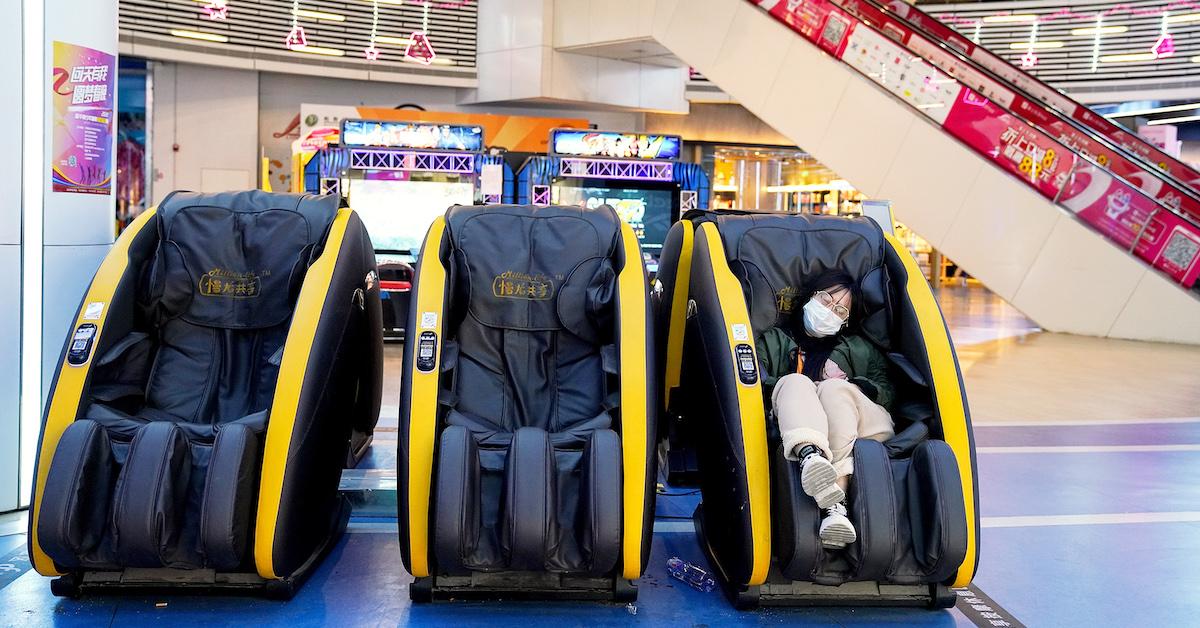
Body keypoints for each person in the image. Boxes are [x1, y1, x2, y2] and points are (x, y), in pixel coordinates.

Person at [756, 269, 895, 549]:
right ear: (810, 296)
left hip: (863, 423)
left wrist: (854, 383)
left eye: (841, 309)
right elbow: (755, 385)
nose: (830, 310)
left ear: (846, 321)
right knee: (795, 382)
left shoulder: (861, 349)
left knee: (832, 389)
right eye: (826, 299)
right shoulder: (772, 340)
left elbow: (888, 392)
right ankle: (826, 490)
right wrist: (809, 387)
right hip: (798, 421)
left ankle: (829, 490)